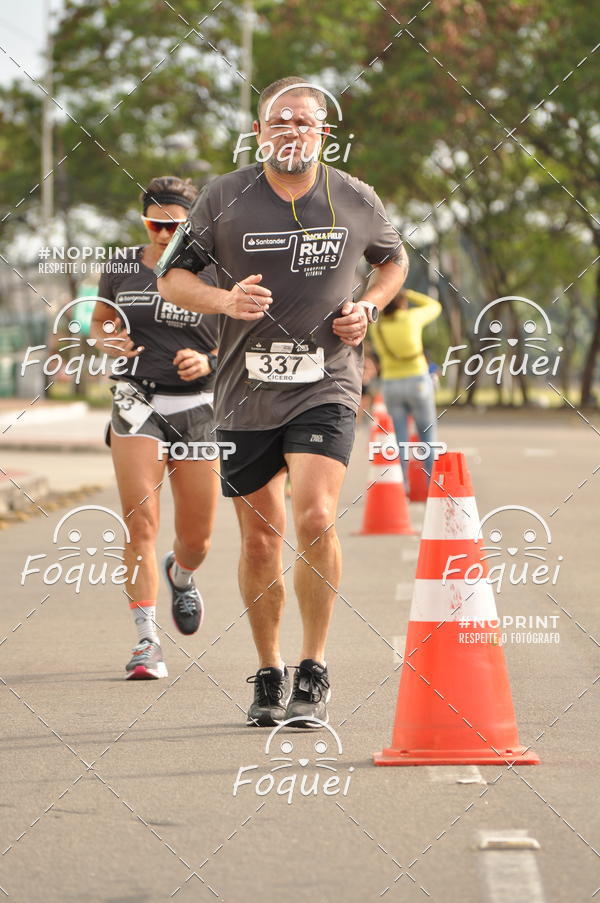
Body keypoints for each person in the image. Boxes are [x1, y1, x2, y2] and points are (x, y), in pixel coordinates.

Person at [157, 77, 408, 728]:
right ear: (259, 130)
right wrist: (225, 301)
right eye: (279, 120)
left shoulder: (354, 198)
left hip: (326, 381)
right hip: (245, 392)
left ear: (324, 132)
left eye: (304, 120)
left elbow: (393, 262)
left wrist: (367, 307)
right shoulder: (224, 197)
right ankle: (269, 670)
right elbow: (175, 278)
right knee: (263, 541)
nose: (291, 129)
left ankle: (314, 667)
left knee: (317, 514)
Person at [92, 175, 220, 680]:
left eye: (176, 224)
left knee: (198, 537)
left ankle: (180, 574)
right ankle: (147, 640)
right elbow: (100, 318)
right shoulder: (123, 263)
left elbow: (245, 329)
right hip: (134, 400)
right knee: (140, 522)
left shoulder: (214, 267)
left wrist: (208, 359)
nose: (165, 234)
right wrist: (109, 340)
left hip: (197, 407)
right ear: (144, 220)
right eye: (155, 224)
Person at [370, 288, 442, 485]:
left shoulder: (377, 327)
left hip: (390, 384)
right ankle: (431, 484)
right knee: (427, 435)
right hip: (417, 381)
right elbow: (435, 306)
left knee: (398, 439)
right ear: (403, 303)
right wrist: (409, 292)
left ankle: (400, 485)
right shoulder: (411, 318)